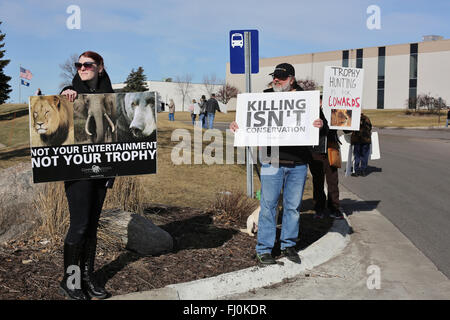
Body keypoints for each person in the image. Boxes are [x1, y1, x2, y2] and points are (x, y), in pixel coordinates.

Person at [230, 63, 326, 266]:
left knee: (292, 207)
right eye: (275, 77)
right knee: (268, 206)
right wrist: (237, 125)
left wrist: (320, 124)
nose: (276, 80)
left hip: (298, 163)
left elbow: (323, 129)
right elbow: (249, 122)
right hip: (271, 161)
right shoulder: (265, 97)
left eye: (281, 78)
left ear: (291, 79)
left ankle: (288, 245)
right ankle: (264, 249)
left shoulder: (307, 100)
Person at [59, 51, 114, 300]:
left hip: (102, 169)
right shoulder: (72, 92)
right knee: (79, 225)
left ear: (100, 67)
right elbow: (59, 104)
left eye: (88, 64)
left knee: (92, 226)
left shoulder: (110, 94)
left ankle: (87, 276)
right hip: (77, 171)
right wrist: (64, 93)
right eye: (79, 65)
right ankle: (70, 280)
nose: (82, 68)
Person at [309, 95, 344, 220]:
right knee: (317, 181)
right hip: (316, 150)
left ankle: (334, 208)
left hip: (331, 149)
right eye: (318, 100)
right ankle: (319, 208)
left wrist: (353, 121)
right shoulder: (311, 111)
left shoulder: (335, 111)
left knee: (333, 181)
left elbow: (346, 128)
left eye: (322, 100)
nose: (320, 103)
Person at [351, 113, 372, 177]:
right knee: (364, 156)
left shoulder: (355, 118)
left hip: (359, 140)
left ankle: (357, 171)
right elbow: (370, 127)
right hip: (365, 140)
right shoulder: (366, 118)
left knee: (357, 156)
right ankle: (363, 170)